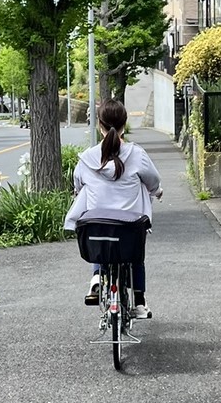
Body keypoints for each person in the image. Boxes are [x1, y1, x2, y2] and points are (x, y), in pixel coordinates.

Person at [63, 99, 162, 318]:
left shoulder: (87, 158)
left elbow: (78, 184)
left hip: (97, 224)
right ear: (124, 125)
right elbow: (153, 181)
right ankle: (139, 301)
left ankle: (97, 277)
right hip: (130, 225)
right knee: (136, 255)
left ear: (100, 126)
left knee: (100, 232)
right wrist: (156, 191)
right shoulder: (137, 154)